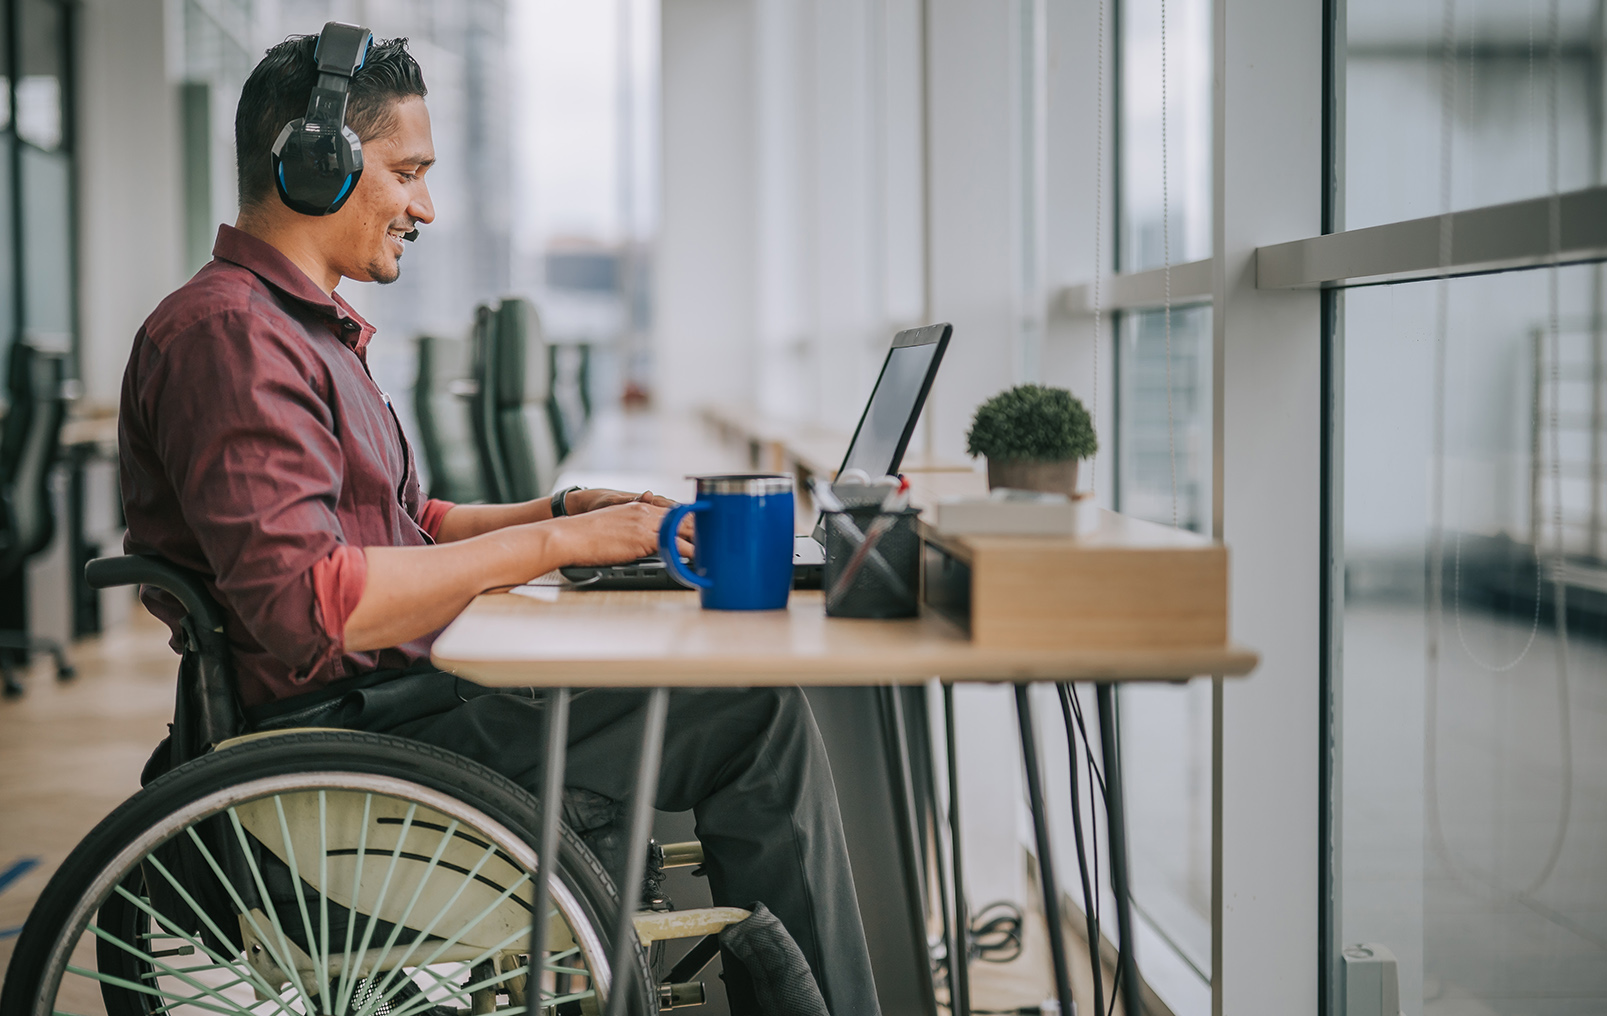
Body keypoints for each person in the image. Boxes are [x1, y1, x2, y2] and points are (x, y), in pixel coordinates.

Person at [118, 31, 880, 1015]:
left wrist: (563, 510)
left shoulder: (297, 327)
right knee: (750, 713)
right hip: (350, 745)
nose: (425, 206)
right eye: (407, 173)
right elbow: (312, 604)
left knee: (732, 700)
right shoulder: (232, 335)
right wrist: (556, 545)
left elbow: (404, 521)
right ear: (314, 163)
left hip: (397, 704)